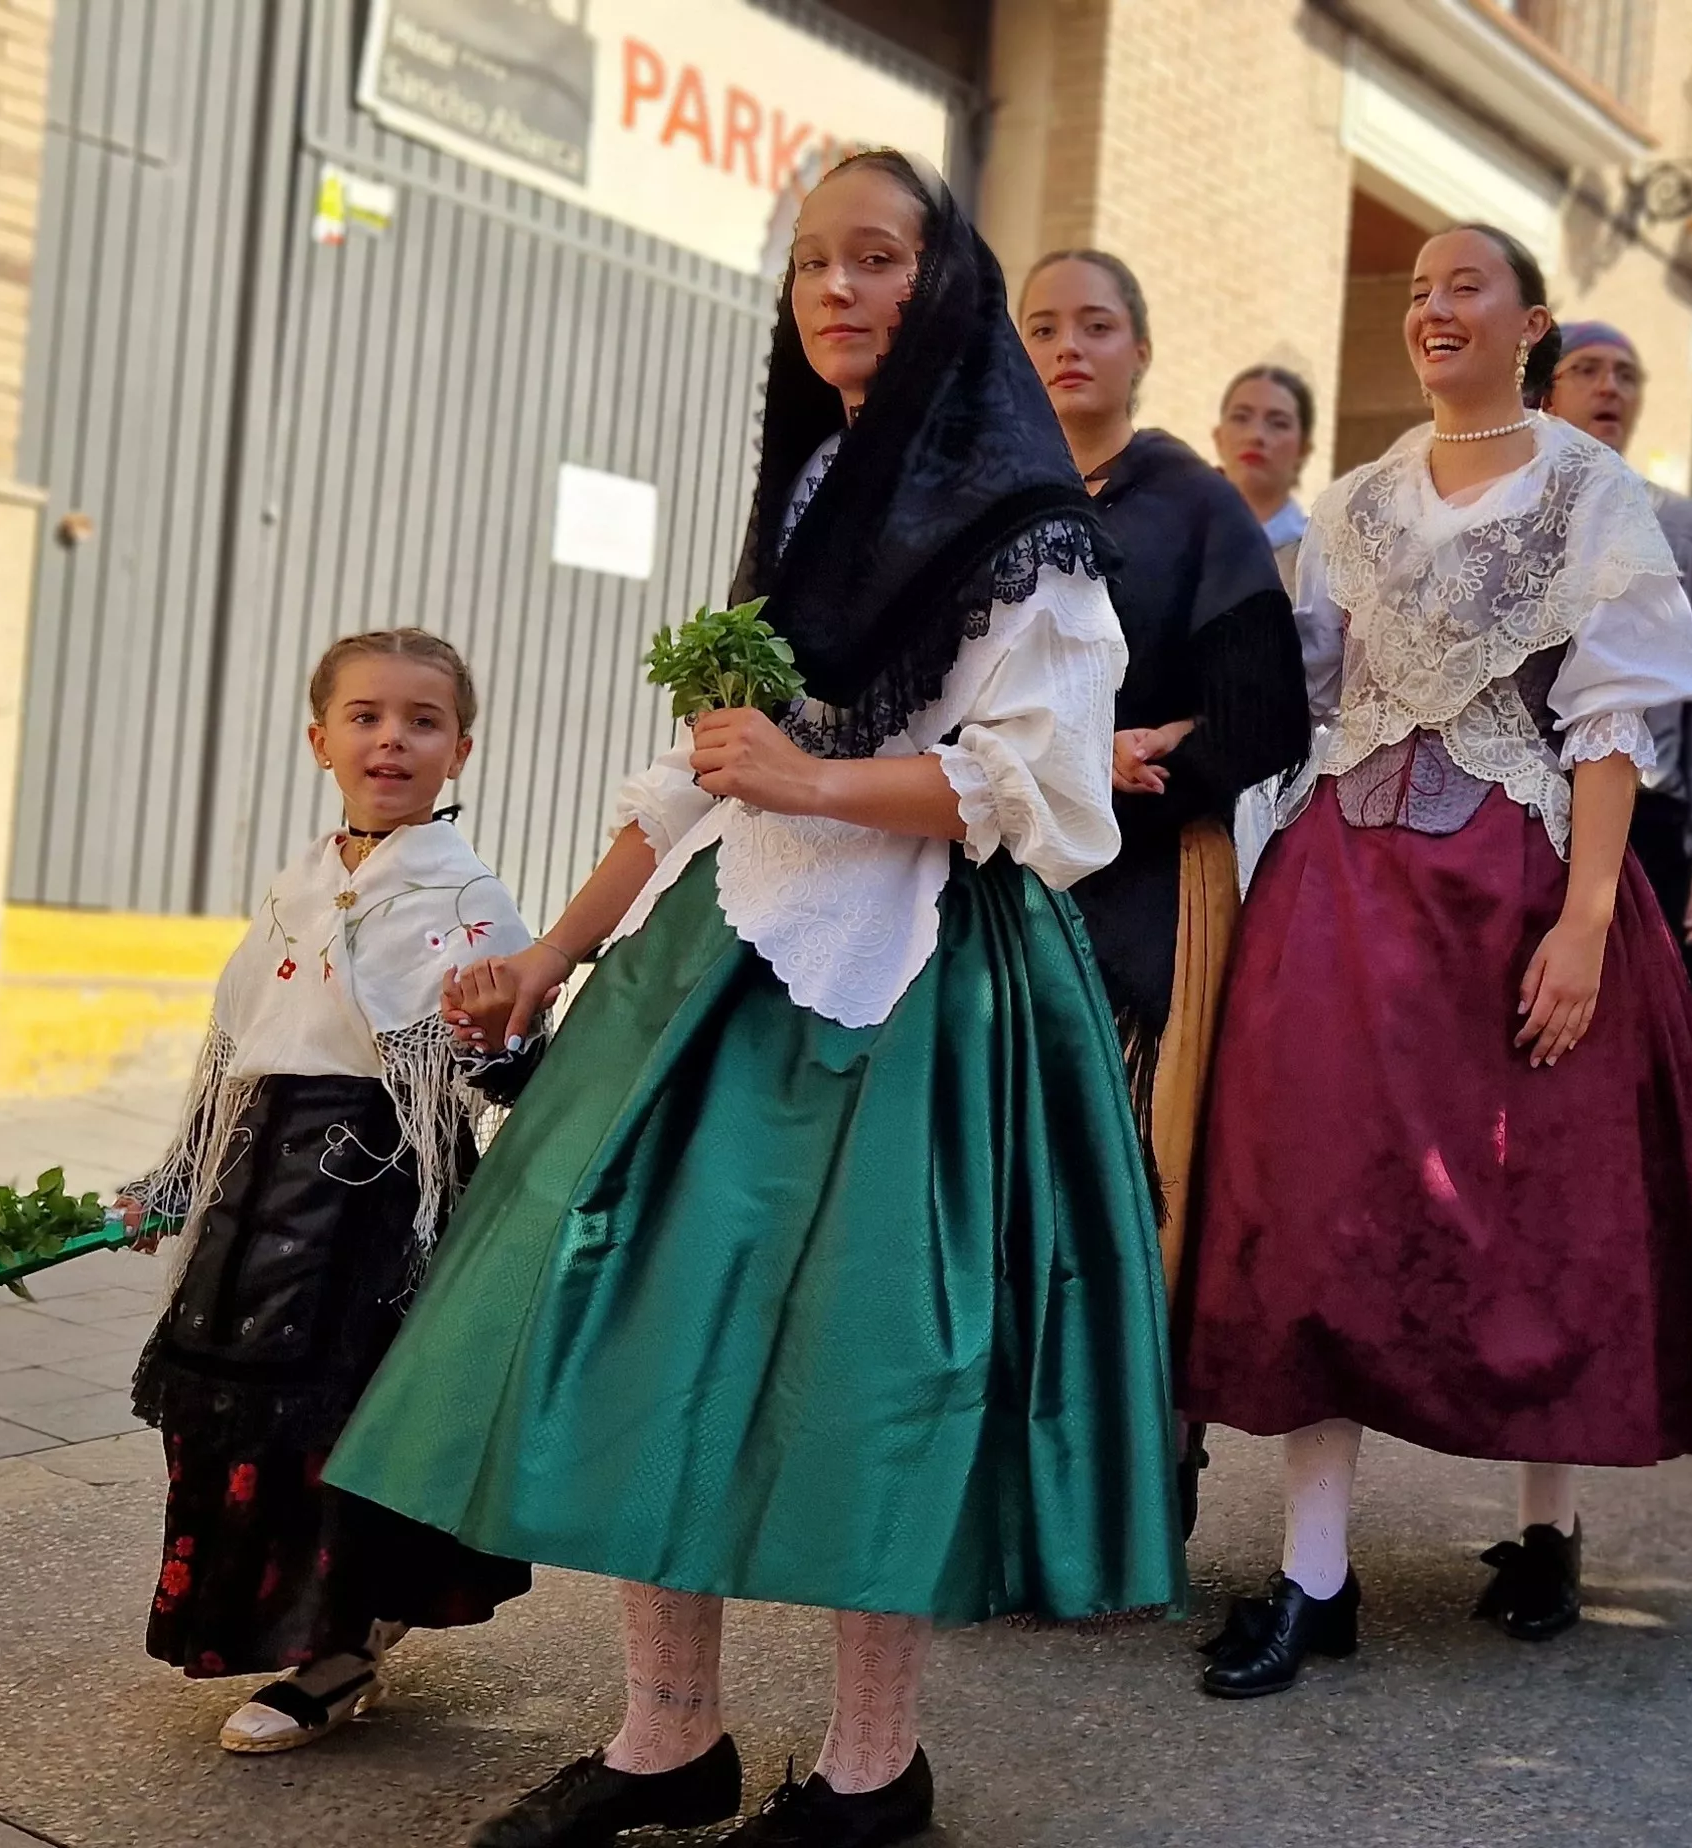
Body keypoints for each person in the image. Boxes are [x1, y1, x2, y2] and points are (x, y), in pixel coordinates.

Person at [325, 152, 1175, 1848]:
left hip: (917, 982)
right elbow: (690, 782)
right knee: (646, 1320)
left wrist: (809, 776)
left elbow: (1039, 789)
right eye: (810, 266)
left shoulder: (1028, 535)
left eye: (875, 260)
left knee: (873, 1362)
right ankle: (668, 1734)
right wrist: (551, 953)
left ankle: (873, 1761)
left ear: (937, 290)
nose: (837, 291)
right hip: (715, 962)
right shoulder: (808, 501)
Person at [1177, 224, 1692, 1698]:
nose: (1434, 308)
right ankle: (1313, 1575)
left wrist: (1585, 924)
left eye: (1466, 287)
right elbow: (1306, 701)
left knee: (1540, 1207)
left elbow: (1612, 724)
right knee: (1315, 1207)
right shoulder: (1360, 499)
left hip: (1516, 888)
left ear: (1530, 322)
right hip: (1340, 889)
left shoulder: (1591, 494)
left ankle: (1544, 1528)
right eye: (1417, 292)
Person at [114, 628, 534, 1752]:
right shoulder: (297, 883)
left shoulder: (467, 895)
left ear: (460, 752)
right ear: (320, 740)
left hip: (376, 1187)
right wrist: (169, 1184)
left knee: (344, 1419)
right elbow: (239, 1042)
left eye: (422, 721)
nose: (391, 738)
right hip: (256, 1173)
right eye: (365, 716)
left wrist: (490, 1036)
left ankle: (340, 1651)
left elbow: (506, 1064)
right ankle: (285, 1626)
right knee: (228, 1405)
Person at [1016, 247, 1309, 1337]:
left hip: (1143, 886)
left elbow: (1265, 713)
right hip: (991, 872)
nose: (1066, 348)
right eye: (1041, 328)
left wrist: (1149, 761)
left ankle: (1135, 1454)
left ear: (1139, 349)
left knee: (1124, 1181)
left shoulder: (1195, 506)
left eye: (1093, 326)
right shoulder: (991, 501)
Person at [1546, 320, 1692, 1058]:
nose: (1610, 386)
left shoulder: (1686, 529)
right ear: (1543, 390)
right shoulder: (1503, 513)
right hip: (1517, 813)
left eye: (1626, 373)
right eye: (1587, 369)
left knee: (1627, 1052)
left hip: (1644, 826)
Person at [1213, 363, 1317, 569]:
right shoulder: (1173, 542)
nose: (1256, 435)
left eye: (1278, 423)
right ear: (1219, 438)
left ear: (1303, 449)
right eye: (1241, 418)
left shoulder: (1322, 563)